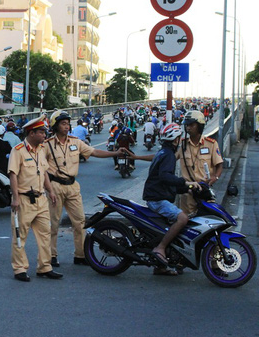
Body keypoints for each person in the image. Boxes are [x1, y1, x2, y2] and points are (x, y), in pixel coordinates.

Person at [45, 110, 127, 267]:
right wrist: (48, 189)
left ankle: (81, 255)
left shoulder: (76, 142)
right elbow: (41, 169)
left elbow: (94, 152)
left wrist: (115, 153)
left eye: (68, 123)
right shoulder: (47, 145)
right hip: (55, 186)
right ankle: (51, 255)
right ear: (55, 126)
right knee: (53, 223)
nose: (67, 126)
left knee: (80, 222)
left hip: (73, 186)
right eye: (63, 124)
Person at [129, 123, 201, 275]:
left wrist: (188, 188)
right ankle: (160, 248)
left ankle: (160, 266)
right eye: (179, 138)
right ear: (175, 140)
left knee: (168, 227)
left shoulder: (163, 152)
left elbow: (167, 180)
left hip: (158, 195)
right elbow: (165, 177)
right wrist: (185, 182)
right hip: (157, 198)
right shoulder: (168, 155)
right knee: (182, 218)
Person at [8, 114, 60, 282]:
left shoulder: (42, 149)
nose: (45, 136)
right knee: (19, 236)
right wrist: (15, 198)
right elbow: (13, 175)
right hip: (23, 199)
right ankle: (19, 269)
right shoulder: (18, 151)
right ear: (31, 133)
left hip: (41, 199)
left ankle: (45, 267)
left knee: (45, 234)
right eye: (42, 132)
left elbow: (43, 172)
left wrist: (50, 190)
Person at [176, 111, 223, 216]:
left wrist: (215, 177)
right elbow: (166, 157)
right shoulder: (182, 145)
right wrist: (137, 157)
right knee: (187, 224)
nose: (188, 128)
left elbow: (219, 165)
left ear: (200, 126)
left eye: (192, 125)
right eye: (187, 125)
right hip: (187, 194)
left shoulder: (211, 144)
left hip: (204, 192)